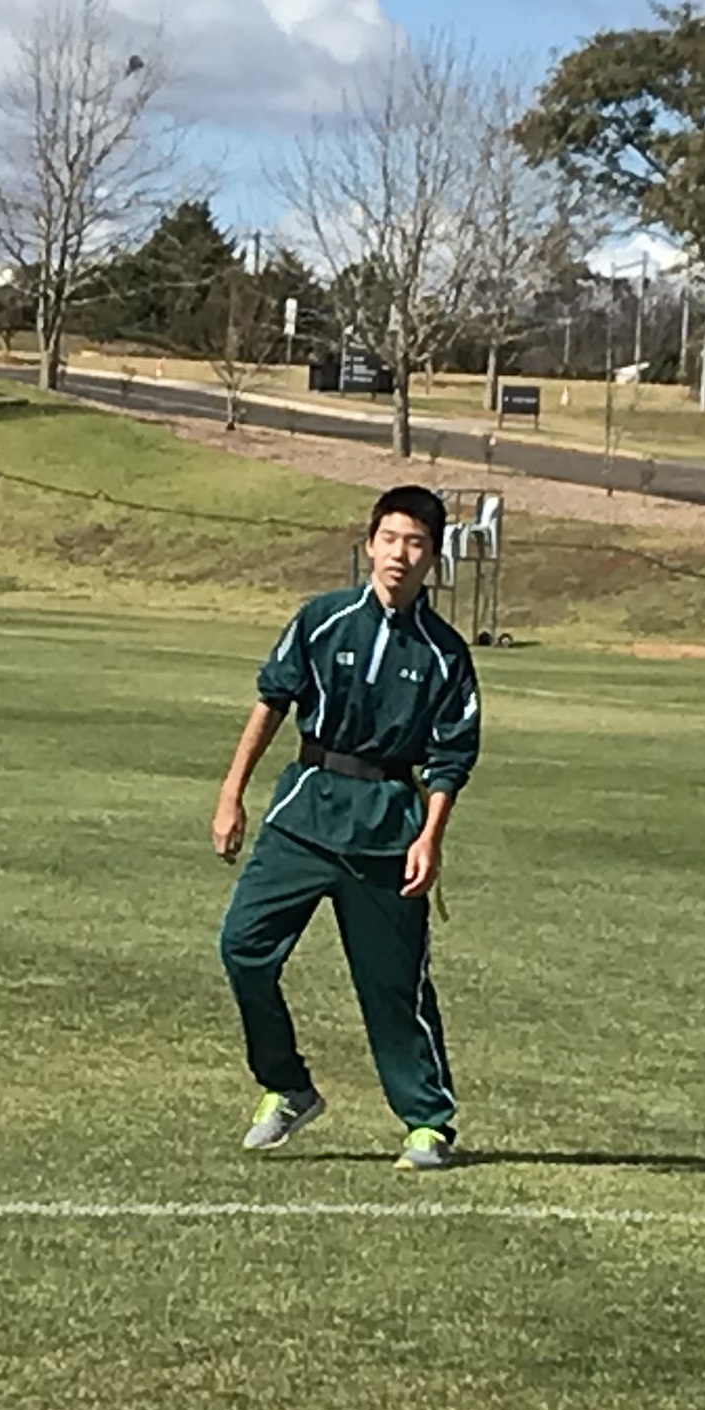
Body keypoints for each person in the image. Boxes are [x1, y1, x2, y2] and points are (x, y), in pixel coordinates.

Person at [213, 484, 483, 1170]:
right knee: (243, 948)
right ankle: (287, 1085)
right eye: (389, 538)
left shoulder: (446, 653)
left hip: (388, 829)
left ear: (434, 558)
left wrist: (431, 836)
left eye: (415, 543)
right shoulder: (322, 619)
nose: (400, 554)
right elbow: (272, 701)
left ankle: (428, 1123)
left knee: (394, 987)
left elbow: (452, 756)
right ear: (369, 545)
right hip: (304, 814)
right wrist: (231, 793)